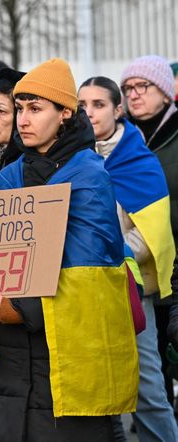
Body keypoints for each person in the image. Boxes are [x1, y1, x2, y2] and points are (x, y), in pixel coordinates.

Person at [0, 58, 138, 441]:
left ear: (65, 113)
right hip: (8, 366)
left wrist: (20, 309)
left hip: (66, 360)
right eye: (20, 109)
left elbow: (87, 277)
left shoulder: (90, 177)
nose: (23, 120)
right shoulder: (8, 176)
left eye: (35, 109)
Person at [78, 75, 178, 442]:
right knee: (96, 388)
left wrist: (103, 252)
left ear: (118, 110)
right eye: (82, 105)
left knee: (147, 385)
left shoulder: (140, 161)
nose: (88, 113)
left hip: (129, 286)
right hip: (80, 289)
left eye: (98, 104)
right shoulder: (69, 159)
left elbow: (151, 236)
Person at [120, 55, 178, 436]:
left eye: (144, 86)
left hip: (175, 268)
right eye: (128, 89)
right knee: (147, 374)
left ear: (165, 91)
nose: (135, 95)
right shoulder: (123, 141)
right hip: (139, 274)